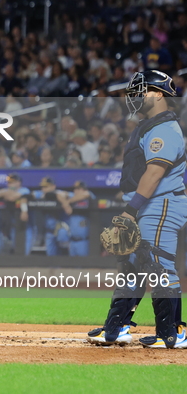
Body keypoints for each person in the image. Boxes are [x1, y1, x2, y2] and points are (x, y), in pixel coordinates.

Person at [88, 70, 187, 348]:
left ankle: (173, 331)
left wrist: (130, 210)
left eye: (140, 90)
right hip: (147, 202)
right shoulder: (147, 126)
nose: (134, 96)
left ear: (157, 94)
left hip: (161, 202)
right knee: (132, 266)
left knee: (157, 263)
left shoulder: (165, 129)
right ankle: (116, 328)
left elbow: (155, 174)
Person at [62, 180, 95, 256]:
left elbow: (86, 194)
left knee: (84, 265)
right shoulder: (73, 197)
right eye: (74, 189)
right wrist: (65, 203)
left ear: (84, 189)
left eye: (77, 189)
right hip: (72, 241)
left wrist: (68, 202)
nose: (75, 191)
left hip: (84, 241)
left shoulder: (89, 196)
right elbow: (61, 194)